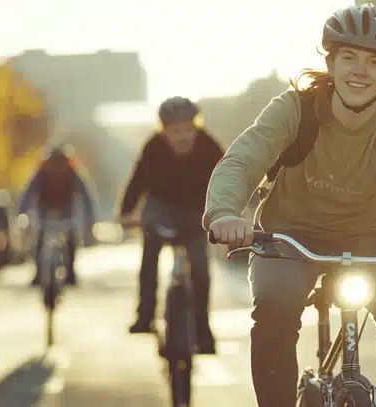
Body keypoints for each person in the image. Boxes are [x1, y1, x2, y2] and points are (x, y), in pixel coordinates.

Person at [205, 4, 376, 406]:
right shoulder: (295, 107)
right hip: (290, 236)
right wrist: (226, 213)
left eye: (374, 61)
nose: (360, 71)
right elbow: (243, 160)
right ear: (330, 61)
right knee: (274, 314)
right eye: (349, 58)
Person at [119, 96, 224, 355]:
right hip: (162, 208)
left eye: (188, 129)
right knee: (150, 251)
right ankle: (145, 315)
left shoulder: (209, 147)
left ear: (196, 127)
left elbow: (227, 179)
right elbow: (137, 181)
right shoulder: (153, 148)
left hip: (196, 213)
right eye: (174, 131)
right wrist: (125, 212)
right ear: (163, 131)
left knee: (200, 269)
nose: (182, 137)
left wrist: (227, 214)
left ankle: (203, 331)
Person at [16, 144, 99, 286]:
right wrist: (90, 217)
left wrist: (22, 212)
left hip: (49, 213)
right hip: (62, 213)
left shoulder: (43, 172)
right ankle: (70, 275)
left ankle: (39, 275)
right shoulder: (72, 172)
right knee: (69, 241)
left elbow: (28, 194)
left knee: (40, 242)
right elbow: (86, 196)